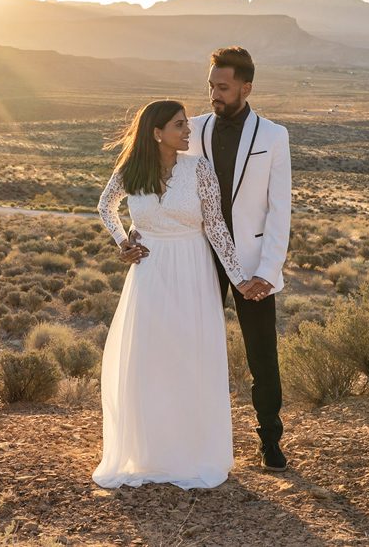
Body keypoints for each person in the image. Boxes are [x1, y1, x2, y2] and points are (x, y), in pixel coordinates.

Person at [122, 47, 292, 472]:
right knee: (187, 350)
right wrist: (133, 232)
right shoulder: (188, 128)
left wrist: (268, 272)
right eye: (210, 85)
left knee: (262, 356)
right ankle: (185, 439)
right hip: (196, 259)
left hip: (251, 264)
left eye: (222, 86)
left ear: (245, 87)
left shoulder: (274, 136)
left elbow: (279, 210)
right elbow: (152, 183)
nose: (213, 93)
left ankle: (269, 439)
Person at [93, 99, 263, 489]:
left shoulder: (199, 169)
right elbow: (106, 206)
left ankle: (192, 452)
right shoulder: (132, 170)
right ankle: (150, 452)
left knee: (190, 356)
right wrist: (123, 242)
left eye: (186, 124)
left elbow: (217, 227)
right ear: (157, 133)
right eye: (179, 125)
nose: (189, 131)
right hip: (150, 270)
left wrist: (239, 279)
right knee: (150, 358)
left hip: (193, 269)